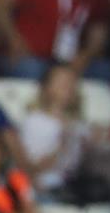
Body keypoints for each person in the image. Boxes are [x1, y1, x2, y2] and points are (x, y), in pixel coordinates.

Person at [17, 63, 88, 202]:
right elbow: (30, 168)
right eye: (62, 81)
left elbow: (78, 165)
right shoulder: (35, 121)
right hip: (44, 187)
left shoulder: (80, 125)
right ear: (47, 87)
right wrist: (61, 145)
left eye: (71, 81)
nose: (68, 86)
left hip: (74, 187)